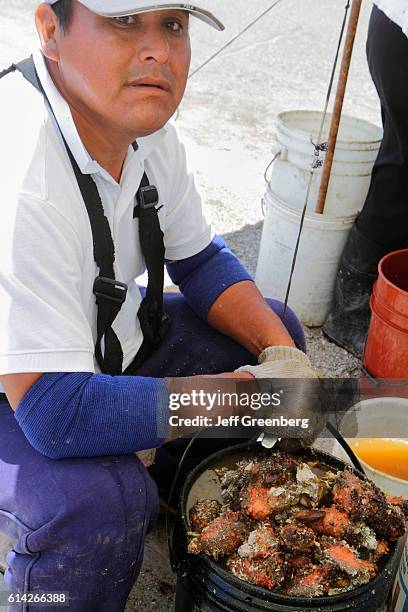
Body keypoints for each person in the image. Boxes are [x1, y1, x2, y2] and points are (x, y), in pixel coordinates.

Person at [0, 1, 320, 609]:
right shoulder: (19, 174)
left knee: (271, 327)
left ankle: (179, 490)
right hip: (21, 390)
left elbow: (200, 261)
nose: (159, 51)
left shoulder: (140, 126)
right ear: (50, 29)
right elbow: (53, 411)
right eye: (124, 21)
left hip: (93, 342)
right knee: (99, 502)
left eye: (172, 25)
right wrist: (236, 396)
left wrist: (275, 354)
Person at [324, 1, 408, 358]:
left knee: (400, 161)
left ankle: (384, 303)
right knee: (400, 168)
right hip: (401, 33)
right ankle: (349, 314)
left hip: (393, 31)